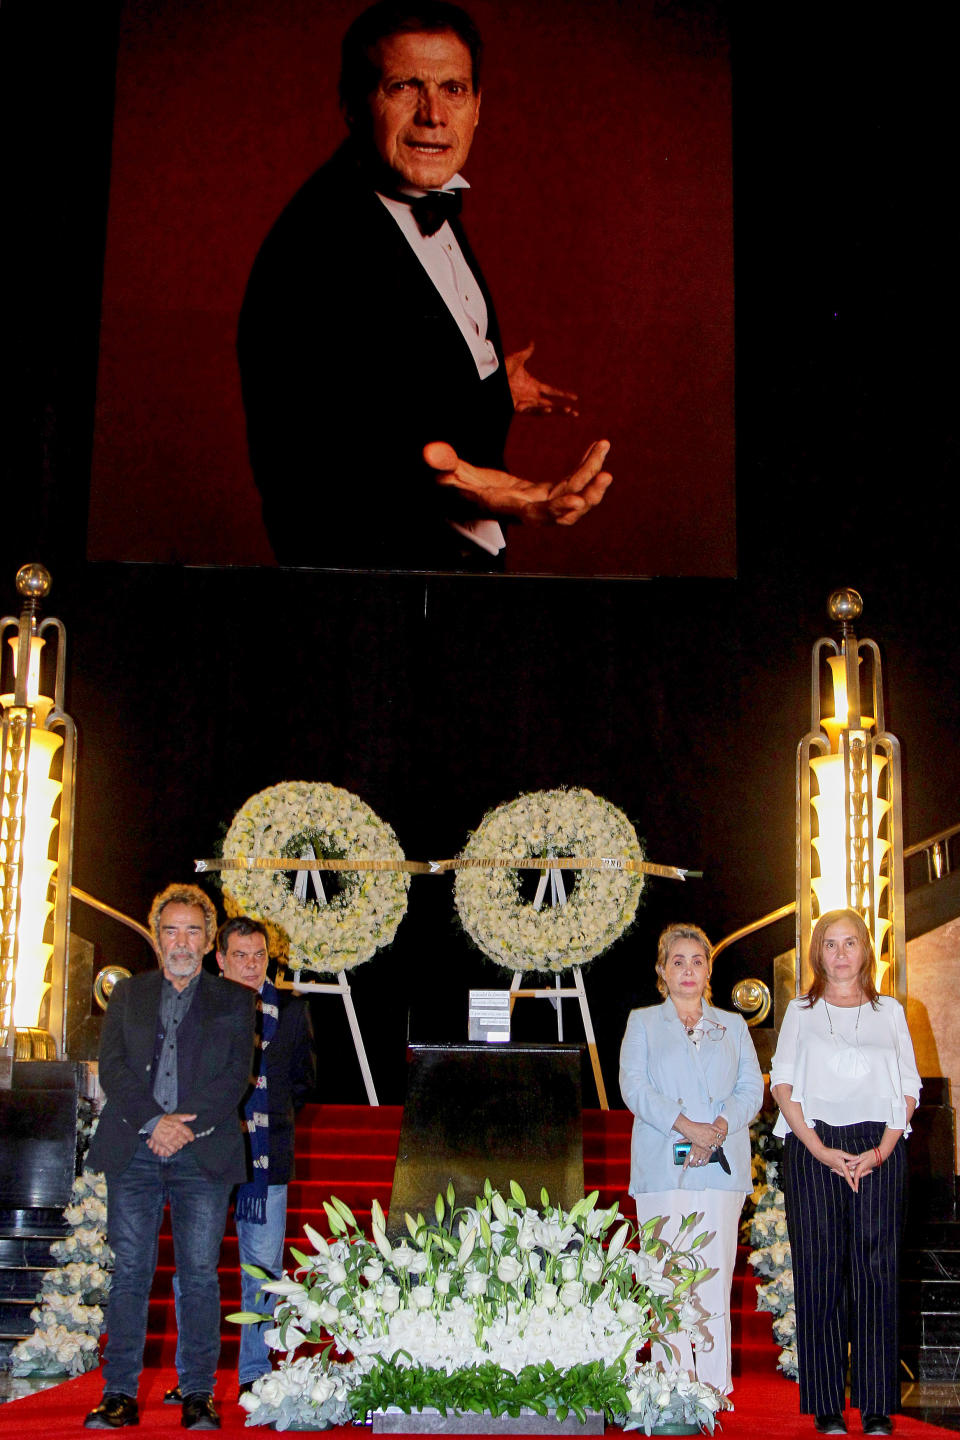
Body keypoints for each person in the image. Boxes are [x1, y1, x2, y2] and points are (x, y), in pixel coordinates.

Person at [237, 0, 612, 571]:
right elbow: (322, 445)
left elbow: (385, 374)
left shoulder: (421, 197)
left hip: (451, 577)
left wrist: (483, 389)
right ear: (354, 105)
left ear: (479, 105)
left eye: (454, 89)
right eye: (404, 86)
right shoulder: (315, 243)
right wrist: (496, 494)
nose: (433, 114)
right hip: (371, 595)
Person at [84, 885, 256, 1431]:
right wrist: (153, 1122)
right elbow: (113, 1067)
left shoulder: (234, 999)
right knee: (131, 1272)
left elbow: (234, 1077)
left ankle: (199, 1394)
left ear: (209, 943)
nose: (181, 941)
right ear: (157, 939)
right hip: (133, 1149)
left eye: (193, 931)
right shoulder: (129, 995)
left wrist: (183, 1128)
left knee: (201, 1274)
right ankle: (118, 1395)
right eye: (171, 930)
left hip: (202, 1154)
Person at [770, 908, 921, 1438]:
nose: (839, 953)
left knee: (877, 1276)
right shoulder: (800, 1011)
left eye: (849, 943)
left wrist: (879, 1152)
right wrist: (818, 1148)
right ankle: (828, 1407)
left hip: (879, 1148)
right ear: (817, 953)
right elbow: (783, 1087)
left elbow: (908, 1088)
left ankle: (877, 1406)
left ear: (864, 951)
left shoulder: (890, 1012)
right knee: (819, 1278)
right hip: (815, 1150)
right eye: (829, 944)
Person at [164, 917, 316, 1401]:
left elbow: (302, 1082)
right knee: (194, 1269)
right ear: (220, 959)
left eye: (259, 957)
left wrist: (264, 1121)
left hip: (265, 1162)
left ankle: (254, 1370)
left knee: (263, 1271)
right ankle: (193, 1380)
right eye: (241, 957)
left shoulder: (292, 1010)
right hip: (202, 1157)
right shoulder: (193, 1008)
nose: (251, 967)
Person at [619, 923, 763, 1395]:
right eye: (677, 961)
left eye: (696, 961)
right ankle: (668, 1388)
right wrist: (688, 1127)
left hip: (722, 1166)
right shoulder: (642, 1022)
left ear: (708, 970)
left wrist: (717, 1129)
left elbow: (750, 1090)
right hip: (663, 1164)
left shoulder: (733, 1025)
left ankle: (714, 1391)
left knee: (713, 1277)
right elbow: (635, 1089)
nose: (687, 970)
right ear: (662, 970)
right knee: (666, 1278)